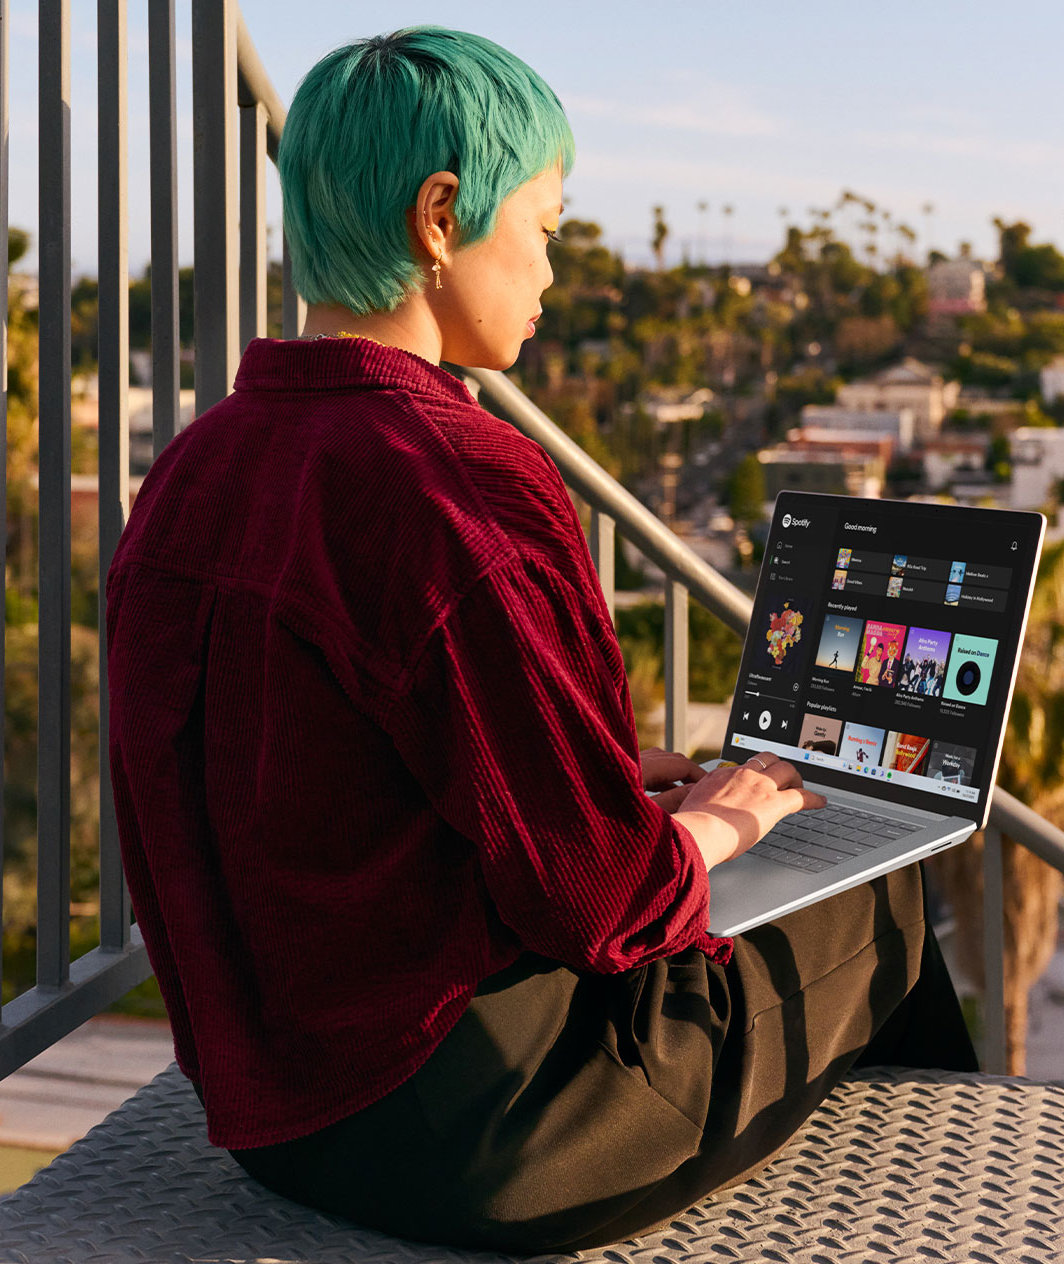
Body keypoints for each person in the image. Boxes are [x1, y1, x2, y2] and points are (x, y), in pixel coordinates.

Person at [104, 26, 978, 1255]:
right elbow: (605, 906)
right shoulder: (456, 477)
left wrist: (615, 787)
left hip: (268, 1112)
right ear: (442, 216)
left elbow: (340, 785)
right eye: (549, 227)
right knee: (876, 880)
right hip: (485, 1136)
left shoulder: (195, 470)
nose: (554, 273)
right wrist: (741, 812)